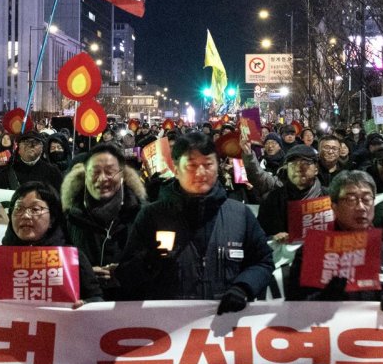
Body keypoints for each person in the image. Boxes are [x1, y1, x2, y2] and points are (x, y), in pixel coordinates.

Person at [116, 131, 274, 312]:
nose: (201, 173)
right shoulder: (152, 216)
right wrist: (149, 261)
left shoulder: (239, 214)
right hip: (169, 327)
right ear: (175, 168)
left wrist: (244, 287)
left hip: (223, 327)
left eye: (208, 165)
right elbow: (125, 275)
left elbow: (263, 262)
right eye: (191, 165)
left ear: (217, 166)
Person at [285, 170, 383, 313]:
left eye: (367, 199)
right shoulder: (312, 250)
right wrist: (326, 297)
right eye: (351, 200)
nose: (361, 207)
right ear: (334, 206)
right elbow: (294, 309)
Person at [0, 181, 103, 311]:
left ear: (52, 219)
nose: (25, 216)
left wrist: (86, 305)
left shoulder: (73, 258)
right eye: (18, 208)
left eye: (35, 209)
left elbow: (97, 300)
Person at [62, 143, 149, 299]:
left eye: (110, 172)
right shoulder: (66, 214)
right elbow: (54, 261)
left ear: (122, 175)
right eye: (95, 172)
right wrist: (82, 273)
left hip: (129, 308)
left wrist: (125, 273)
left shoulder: (143, 214)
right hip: (81, 309)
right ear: (84, 174)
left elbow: (154, 263)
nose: (102, 179)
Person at [242, 143, 325, 242]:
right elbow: (258, 238)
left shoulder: (329, 199)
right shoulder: (273, 200)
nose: (298, 168)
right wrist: (272, 239)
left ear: (316, 169)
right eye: (293, 164)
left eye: (305, 163)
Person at [0, 130, 64, 192]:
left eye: (35, 142)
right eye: (26, 142)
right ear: (18, 149)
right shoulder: (6, 173)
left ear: (42, 148)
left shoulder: (53, 172)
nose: (31, 145)